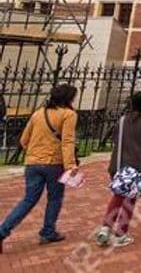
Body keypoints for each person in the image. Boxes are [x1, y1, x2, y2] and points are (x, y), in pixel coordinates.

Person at [0, 83, 79, 252]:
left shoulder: (38, 113)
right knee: (55, 198)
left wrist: (35, 153)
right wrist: (70, 165)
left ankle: (2, 231)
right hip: (54, 163)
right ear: (68, 98)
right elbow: (67, 141)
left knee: (28, 200)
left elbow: (23, 140)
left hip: (33, 163)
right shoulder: (68, 114)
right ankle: (48, 231)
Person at [92, 90, 141, 248]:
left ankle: (105, 229)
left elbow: (115, 141)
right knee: (129, 201)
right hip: (138, 166)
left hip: (120, 165)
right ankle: (121, 234)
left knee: (117, 197)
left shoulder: (122, 120)